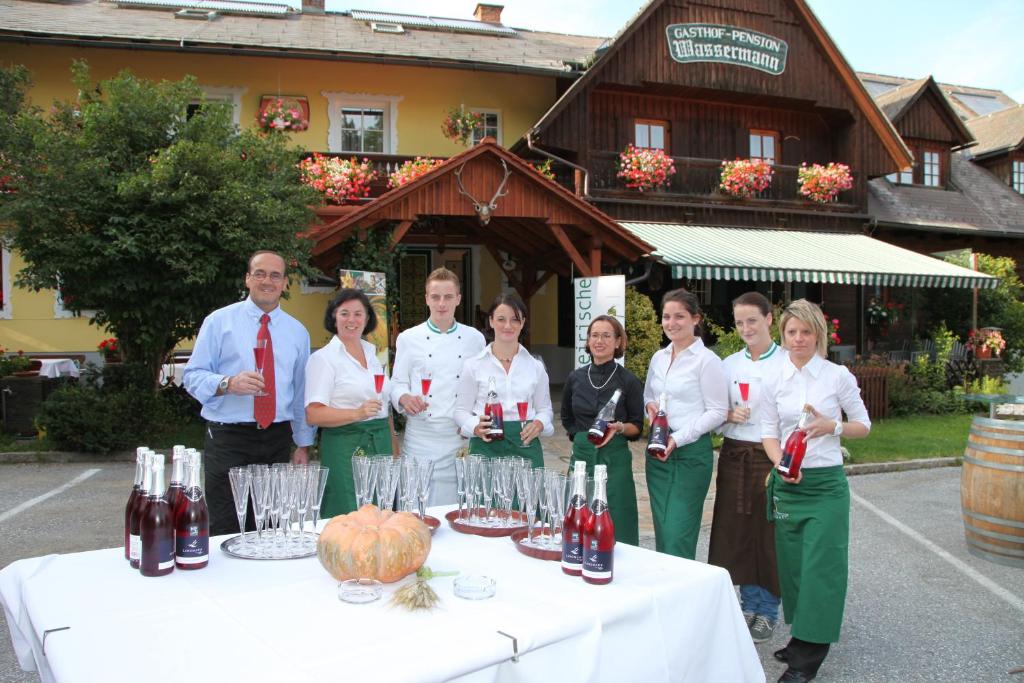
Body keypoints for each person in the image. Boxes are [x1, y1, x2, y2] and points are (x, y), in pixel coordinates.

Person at [761, 299, 870, 683]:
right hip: (790, 485)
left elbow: (864, 425)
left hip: (825, 486)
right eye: (791, 332)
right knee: (793, 569)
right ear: (783, 335)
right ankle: (801, 638)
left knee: (821, 569)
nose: (798, 339)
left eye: (806, 332)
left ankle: (806, 662)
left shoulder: (836, 376)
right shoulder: (773, 378)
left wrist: (832, 427)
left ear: (818, 334)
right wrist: (780, 466)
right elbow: (768, 432)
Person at [183, 250, 314, 536]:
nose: (267, 281)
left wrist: (303, 443)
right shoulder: (219, 322)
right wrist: (228, 383)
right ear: (247, 279)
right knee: (227, 526)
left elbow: (301, 392)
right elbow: (191, 377)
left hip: (277, 438)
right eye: (260, 273)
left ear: (284, 283)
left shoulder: (297, 332)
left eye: (275, 275)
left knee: (271, 526)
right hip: (230, 438)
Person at [708, 291, 787, 644]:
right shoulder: (728, 365)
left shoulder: (786, 363)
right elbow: (713, 414)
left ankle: (768, 609)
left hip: (771, 455)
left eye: (752, 320)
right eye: (739, 322)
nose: (745, 328)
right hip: (735, 454)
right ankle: (745, 605)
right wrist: (727, 416)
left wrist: (783, 458)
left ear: (770, 319)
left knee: (766, 533)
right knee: (735, 530)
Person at [642, 288, 728, 560]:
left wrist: (677, 439)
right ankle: (666, 592)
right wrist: (650, 409)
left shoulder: (707, 361)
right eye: (666, 316)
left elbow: (718, 411)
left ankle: (682, 596)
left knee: (679, 531)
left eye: (679, 316)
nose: (671, 323)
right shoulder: (659, 357)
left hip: (690, 455)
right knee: (663, 530)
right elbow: (649, 396)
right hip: (658, 454)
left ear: (696, 319)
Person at [390, 267, 485, 505]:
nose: (441, 303)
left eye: (448, 297)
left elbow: (481, 388)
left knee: (460, 509)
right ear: (426, 299)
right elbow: (397, 383)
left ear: (458, 299)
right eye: (435, 297)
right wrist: (404, 398)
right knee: (416, 508)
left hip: (459, 437)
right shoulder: (408, 338)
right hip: (421, 437)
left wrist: (473, 421)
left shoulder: (475, 339)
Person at [305, 288, 398, 517]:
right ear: (334, 317)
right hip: (345, 447)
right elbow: (313, 415)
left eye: (358, 314)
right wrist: (357, 413)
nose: (352, 320)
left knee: (382, 514)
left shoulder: (373, 355)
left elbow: (383, 405)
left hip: (381, 443)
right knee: (349, 513)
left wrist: (394, 443)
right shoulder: (323, 359)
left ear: (367, 319)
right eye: (344, 313)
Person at [560, 315, 644, 545]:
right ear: (587, 341)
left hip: (614, 460)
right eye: (594, 335)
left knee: (618, 518)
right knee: (578, 515)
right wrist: (580, 437)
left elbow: (637, 427)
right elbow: (567, 417)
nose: (599, 340)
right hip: (582, 459)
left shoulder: (629, 381)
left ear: (618, 342)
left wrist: (619, 428)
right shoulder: (575, 377)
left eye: (607, 335)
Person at [453, 293, 553, 468]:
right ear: (491, 321)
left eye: (515, 319)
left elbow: (545, 409)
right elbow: (461, 411)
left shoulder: (535, 367)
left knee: (527, 496)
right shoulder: (472, 366)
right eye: (501, 319)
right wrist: (475, 427)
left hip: (525, 445)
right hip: (485, 447)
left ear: (523, 323)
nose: (508, 325)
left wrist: (539, 423)